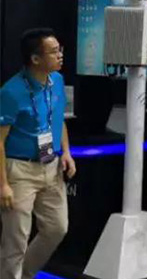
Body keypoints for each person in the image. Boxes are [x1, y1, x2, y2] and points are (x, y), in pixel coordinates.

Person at [0, 29, 76, 279]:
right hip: (19, 170)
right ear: (35, 59)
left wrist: (66, 152)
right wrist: (3, 184)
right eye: (53, 52)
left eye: (59, 49)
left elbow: (58, 120)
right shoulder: (11, 92)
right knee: (16, 241)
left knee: (57, 228)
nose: (60, 55)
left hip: (51, 165)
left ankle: (24, 274)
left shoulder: (57, 82)